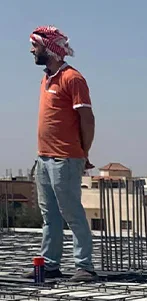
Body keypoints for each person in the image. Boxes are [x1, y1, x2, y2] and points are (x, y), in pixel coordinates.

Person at [27, 26, 97, 281]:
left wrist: (83, 152)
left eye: (35, 46)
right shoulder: (47, 78)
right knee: (50, 216)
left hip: (65, 158)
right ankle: (50, 264)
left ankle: (84, 266)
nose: (32, 50)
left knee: (71, 212)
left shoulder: (73, 79)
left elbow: (87, 119)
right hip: (44, 158)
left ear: (49, 49)